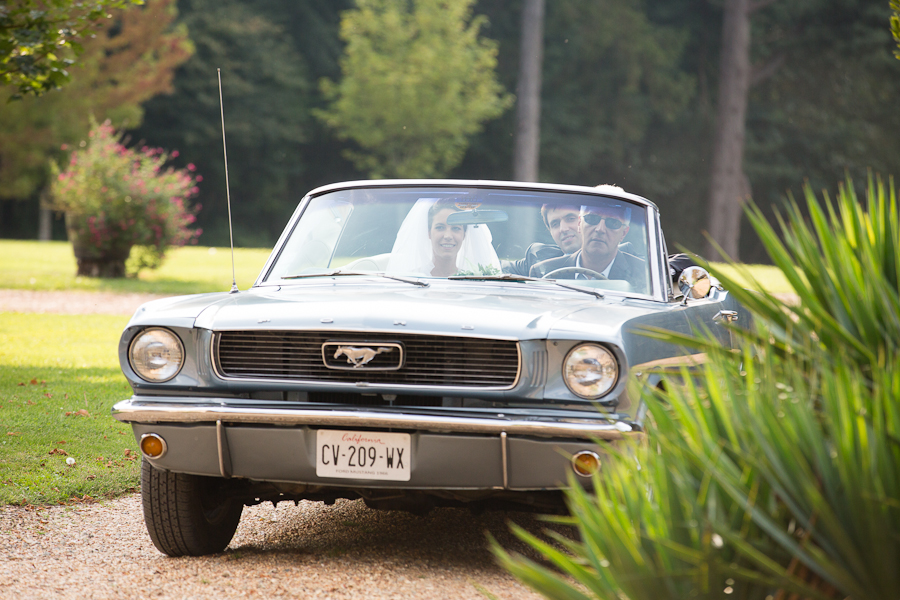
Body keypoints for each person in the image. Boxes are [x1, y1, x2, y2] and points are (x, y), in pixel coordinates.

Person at [529, 202, 648, 292]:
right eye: (592, 219)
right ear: (580, 224)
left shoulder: (645, 275)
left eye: (613, 222)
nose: (600, 229)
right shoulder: (542, 272)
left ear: (623, 233)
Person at [386, 198, 500, 277]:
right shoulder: (410, 279)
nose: (448, 236)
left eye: (455, 228)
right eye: (440, 227)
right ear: (429, 233)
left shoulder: (475, 280)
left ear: (464, 234)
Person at [504, 204, 582, 276]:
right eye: (555, 224)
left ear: (584, 220)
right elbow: (497, 267)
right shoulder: (538, 258)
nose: (563, 229)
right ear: (550, 231)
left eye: (570, 219)